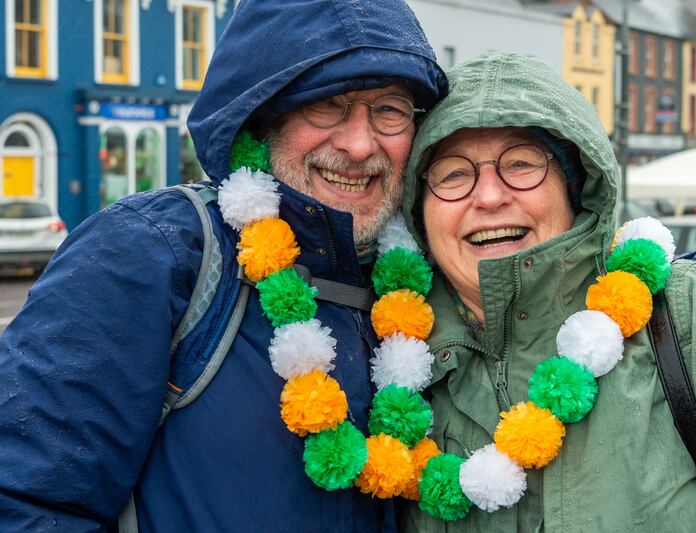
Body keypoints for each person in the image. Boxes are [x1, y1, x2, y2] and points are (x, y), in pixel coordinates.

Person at [0, 1, 446, 530]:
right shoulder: (153, 251)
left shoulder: (424, 277)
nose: (358, 144)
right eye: (326, 105)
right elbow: (27, 501)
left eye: (389, 109)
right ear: (264, 114)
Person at [397, 52, 696, 531]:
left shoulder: (692, 316)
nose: (488, 196)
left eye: (522, 164)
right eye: (454, 174)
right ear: (419, 207)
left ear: (576, 187)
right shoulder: (382, 356)